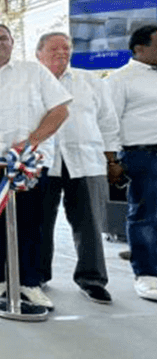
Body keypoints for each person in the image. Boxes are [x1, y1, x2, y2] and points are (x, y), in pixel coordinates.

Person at [0, 23, 70, 310]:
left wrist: (30, 143)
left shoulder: (34, 72)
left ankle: (29, 283)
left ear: (13, 42)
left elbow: (60, 110)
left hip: (29, 165)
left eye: (3, 38)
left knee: (30, 224)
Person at [35, 32, 117, 304]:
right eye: (54, 48)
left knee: (90, 224)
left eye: (66, 48)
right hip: (43, 163)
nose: (61, 52)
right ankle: (36, 276)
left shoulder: (89, 81)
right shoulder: (30, 83)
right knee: (38, 222)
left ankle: (92, 279)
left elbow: (108, 121)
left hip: (86, 162)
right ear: (39, 54)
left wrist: (111, 159)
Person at [106, 24, 157, 302]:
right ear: (139, 48)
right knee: (145, 213)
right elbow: (110, 122)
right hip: (142, 153)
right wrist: (111, 159)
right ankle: (147, 275)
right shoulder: (120, 79)